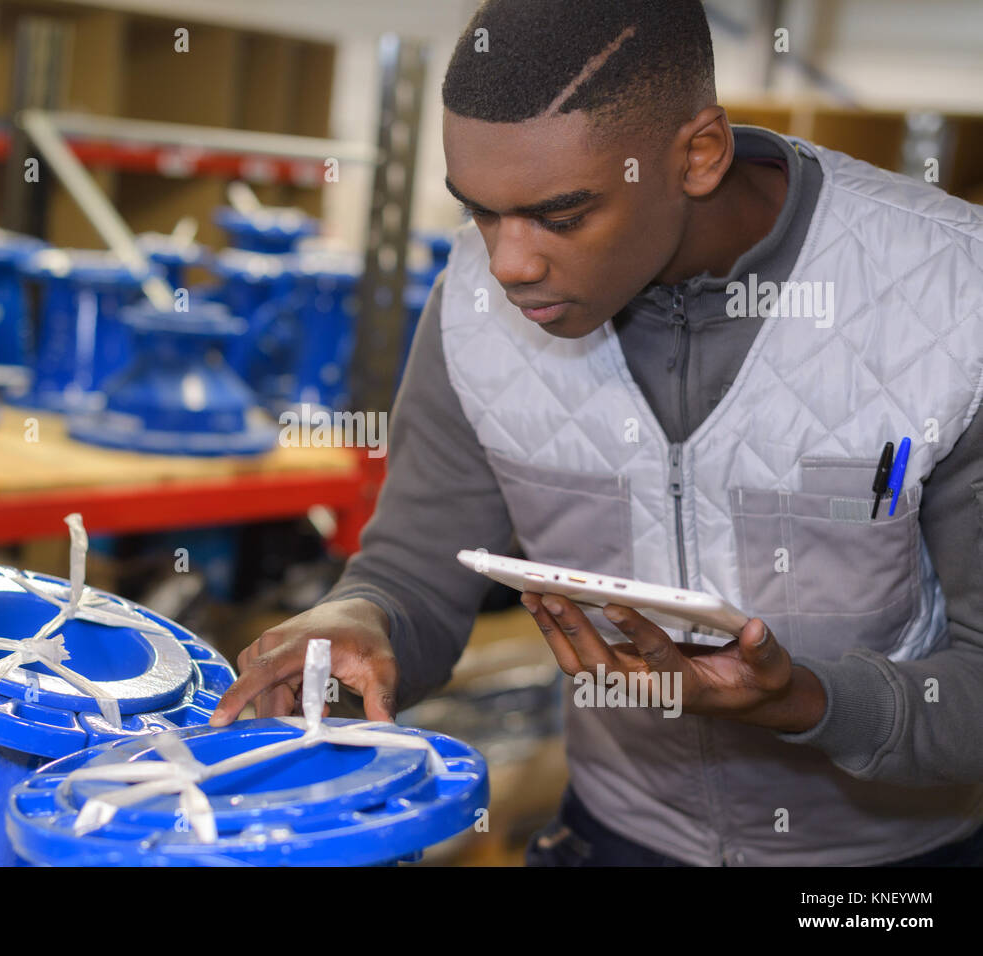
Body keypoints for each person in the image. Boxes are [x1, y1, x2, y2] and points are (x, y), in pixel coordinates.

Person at [211, 0, 983, 866]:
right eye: (478, 212)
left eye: (561, 214)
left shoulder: (954, 300)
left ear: (699, 155)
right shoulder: (471, 305)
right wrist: (358, 620)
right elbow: (411, 577)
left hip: (895, 868)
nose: (508, 265)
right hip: (615, 834)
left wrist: (806, 701)